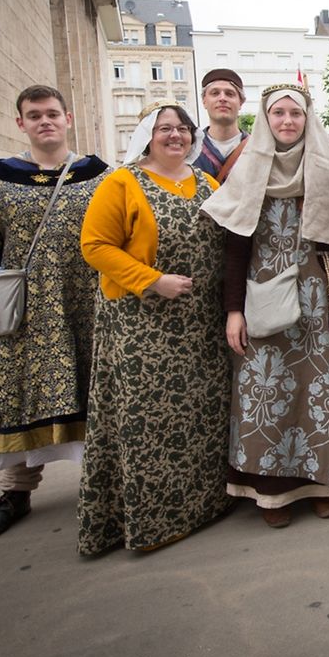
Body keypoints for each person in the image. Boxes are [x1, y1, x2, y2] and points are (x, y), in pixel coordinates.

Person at [202, 83, 329, 528]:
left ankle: (325, 485)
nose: (288, 121)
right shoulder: (246, 172)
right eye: (278, 113)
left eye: (296, 114)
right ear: (265, 120)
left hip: (321, 298)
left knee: (318, 391)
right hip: (264, 297)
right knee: (271, 393)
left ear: (309, 119)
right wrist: (234, 310)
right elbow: (234, 249)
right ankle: (274, 494)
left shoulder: (327, 170)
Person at [78, 99, 231, 553]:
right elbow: (96, 246)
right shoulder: (121, 182)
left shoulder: (206, 182)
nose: (175, 136)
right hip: (141, 328)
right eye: (165, 128)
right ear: (148, 134)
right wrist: (152, 281)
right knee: (148, 424)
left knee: (200, 417)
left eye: (182, 129)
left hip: (199, 323)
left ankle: (204, 506)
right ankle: (151, 522)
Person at [0, 85, 109, 542]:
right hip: (29, 312)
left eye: (52, 114)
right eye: (34, 115)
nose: (44, 121)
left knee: (96, 388)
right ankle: (15, 492)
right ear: (20, 123)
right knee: (17, 393)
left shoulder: (101, 175)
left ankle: (104, 484)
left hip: (89, 304)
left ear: (68, 118)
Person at [193, 69, 248, 182]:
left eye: (229, 94)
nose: (222, 98)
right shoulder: (190, 148)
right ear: (204, 101)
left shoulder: (256, 147)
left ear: (241, 102)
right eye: (215, 93)